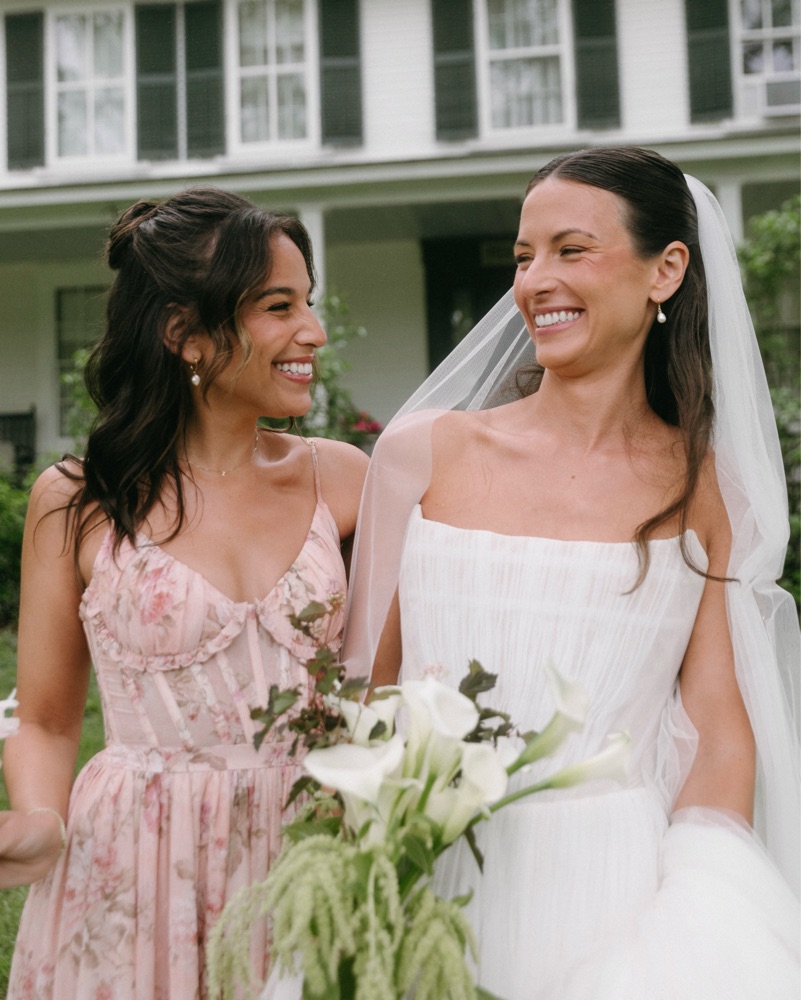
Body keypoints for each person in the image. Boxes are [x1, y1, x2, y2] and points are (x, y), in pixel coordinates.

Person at [343, 147, 800, 998]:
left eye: (571, 250)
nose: (534, 282)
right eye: (524, 257)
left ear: (666, 270)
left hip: (613, 888)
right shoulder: (422, 454)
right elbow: (365, 689)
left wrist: (697, 911)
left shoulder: (707, 492)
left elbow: (716, 727)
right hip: (428, 870)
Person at [0, 186, 368, 999]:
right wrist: (40, 821)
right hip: (133, 863)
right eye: (279, 307)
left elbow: (392, 680)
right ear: (184, 333)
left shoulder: (342, 481)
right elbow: (50, 719)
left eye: (307, 302)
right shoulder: (79, 500)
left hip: (308, 851)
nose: (313, 331)